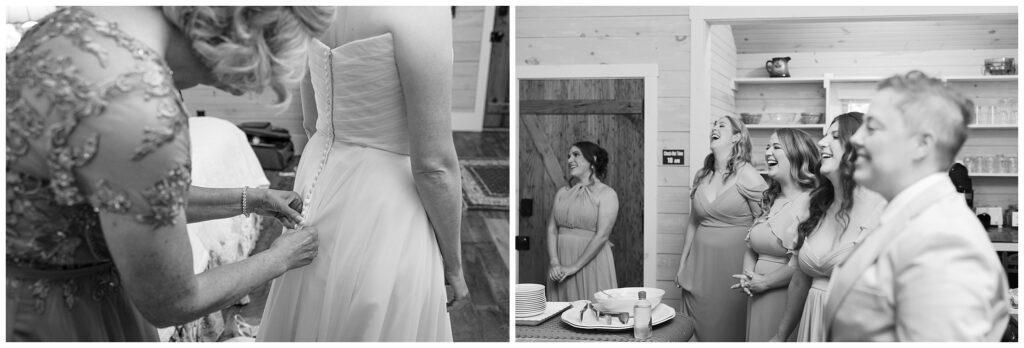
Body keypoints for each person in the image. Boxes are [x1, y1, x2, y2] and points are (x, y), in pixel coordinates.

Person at [6, 6, 335, 341]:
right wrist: (280, 258)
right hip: (65, 321)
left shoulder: (69, 25)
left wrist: (251, 199)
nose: (236, 88)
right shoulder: (140, 104)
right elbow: (172, 301)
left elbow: (130, 196)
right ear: (245, 40)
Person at [257, 7, 467, 342]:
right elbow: (434, 165)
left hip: (319, 179)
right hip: (385, 201)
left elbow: (312, 123)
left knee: (312, 303)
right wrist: (454, 267)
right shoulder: (424, 11)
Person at [825, 71, 1010, 341]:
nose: (855, 139)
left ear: (921, 144)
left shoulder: (943, 240)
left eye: (873, 127)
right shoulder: (907, 215)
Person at [768, 112, 887, 342]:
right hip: (812, 328)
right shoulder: (813, 206)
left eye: (835, 136)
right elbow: (800, 281)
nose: (822, 142)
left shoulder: (883, 209)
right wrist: (780, 336)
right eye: (824, 136)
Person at [675, 115, 768, 341]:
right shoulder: (702, 175)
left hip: (733, 266)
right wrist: (682, 264)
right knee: (695, 328)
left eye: (721, 125)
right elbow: (693, 222)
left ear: (737, 137)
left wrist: (757, 270)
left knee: (728, 328)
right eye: (713, 124)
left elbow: (764, 223)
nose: (714, 128)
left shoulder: (748, 175)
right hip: (699, 266)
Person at [734, 129, 818, 342]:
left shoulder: (812, 202)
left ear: (797, 155)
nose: (768, 152)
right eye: (768, 147)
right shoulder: (771, 199)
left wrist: (766, 283)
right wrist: (748, 277)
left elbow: (803, 264)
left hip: (786, 295)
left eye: (776, 147)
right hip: (756, 294)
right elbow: (752, 246)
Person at [545, 141, 620, 301]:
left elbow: (602, 235)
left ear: (592, 159)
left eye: (576, 155)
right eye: (569, 156)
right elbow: (552, 229)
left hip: (591, 262)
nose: (569, 160)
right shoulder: (562, 193)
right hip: (560, 262)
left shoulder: (607, 194)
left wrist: (574, 267)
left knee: (591, 313)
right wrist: (554, 262)